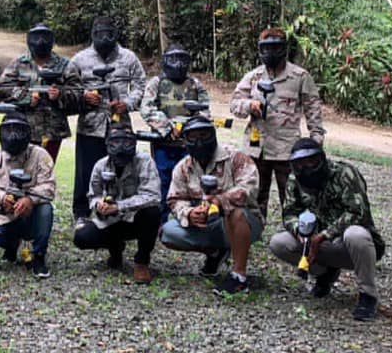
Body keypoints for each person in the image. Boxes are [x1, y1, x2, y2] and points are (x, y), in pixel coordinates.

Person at [268, 138, 386, 321]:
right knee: (279, 243)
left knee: (356, 234)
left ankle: (368, 295)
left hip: (352, 246)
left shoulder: (344, 173)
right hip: (319, 244)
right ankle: (325, 274)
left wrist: (324, 235)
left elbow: (357, 212)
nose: (306, 168)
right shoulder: (294, 179)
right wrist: (300, 233)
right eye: (300, 164)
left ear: (321, 159)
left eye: (311, 161)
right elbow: (289, 213)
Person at [160, 116, 263, 295]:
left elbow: (250, 188)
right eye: (192, 137)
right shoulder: (183, 167)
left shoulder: (236, 157)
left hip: (243, 224)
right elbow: (175, 199)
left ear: (213, 135)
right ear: (185, 141)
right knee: (168, 232)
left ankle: (239, 277)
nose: (199, 142)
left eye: (204, 135)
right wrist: (190, 213)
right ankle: (215, 252)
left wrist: (220, 201)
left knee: (234, 213)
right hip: (207, 224)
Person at [230, 27, 325, 219]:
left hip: (286, 148)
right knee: (255, 193)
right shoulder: (254, 77)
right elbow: (234, 104)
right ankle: (252, 230)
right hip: (257, 147)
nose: (270, 53)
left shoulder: (299, 77)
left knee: (291, 195)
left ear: (284, 49)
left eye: (276, 47)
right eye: (266, 48)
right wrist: (250, 105)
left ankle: (294, 233)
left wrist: (316, 137)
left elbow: (312, 107)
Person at [70, 16, 145, 225]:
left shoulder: (129, 57)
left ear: (115, 34)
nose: (104, 38)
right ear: (93, 34)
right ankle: (82, 214)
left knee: (122, 167)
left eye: (108, 33)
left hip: (119, 124)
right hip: (90, 125)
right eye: (99, 33)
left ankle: (120, 209)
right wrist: (84, 96)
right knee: (85, 172)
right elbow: (69, 88)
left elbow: (140, 84)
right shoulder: (80, 59)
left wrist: (127, 103)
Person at [73, 124, 162, 283]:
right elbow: (93, 194)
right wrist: (99, 205)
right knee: (81, 237)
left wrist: (120, 206)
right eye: (116, 142)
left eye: (126, 142)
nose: (121, 147)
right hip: (111, 219)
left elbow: (152, 196)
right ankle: (115, 250)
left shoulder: (145, 162)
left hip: (136, 219)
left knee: (153, 212)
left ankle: (142, 262)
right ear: (108, 144)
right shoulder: (101, 165)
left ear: (134, 143)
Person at [0, 111, 56, 278]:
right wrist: (1, 197)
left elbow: (49, 186)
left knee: (46, 209)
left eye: (19, 130)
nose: (14, 136)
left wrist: (30, 199)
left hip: (31, 215)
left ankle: (38, 256)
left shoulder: (40, 155)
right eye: (9, 130)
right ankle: (11, 245)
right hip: (4, 216)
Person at [139, 44, 211, 221]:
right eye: (173, 59)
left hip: (190, 143)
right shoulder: (157, 83)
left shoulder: (194, 84)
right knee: (163, 179)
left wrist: (186, 127)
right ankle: (162, 220)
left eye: (182, 59)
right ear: (165, 61)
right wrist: (168, 126)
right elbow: (146, 108)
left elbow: (205, 111)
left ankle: (194, 216)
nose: (178, 64)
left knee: (192, 179)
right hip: (163, 142)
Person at [0, 22, 82, 161]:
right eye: (36, 37)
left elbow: (78, 92)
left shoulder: (65, 65)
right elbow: (2, 87)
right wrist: (25, 97)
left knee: (45, 169)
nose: (41, 42)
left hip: (52, 129)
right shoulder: (19, 63)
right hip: (21, 128)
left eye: (45, 37)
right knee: (18, 169)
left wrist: (60, 94)